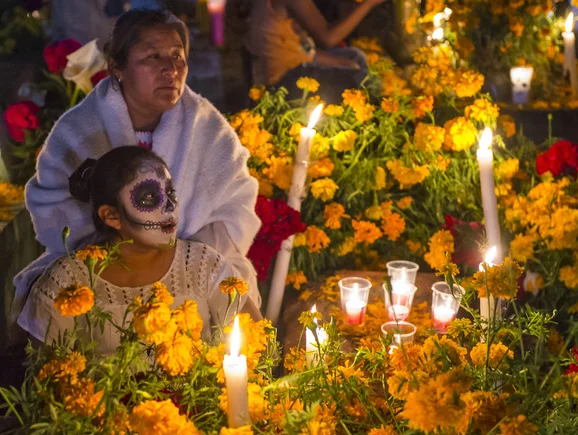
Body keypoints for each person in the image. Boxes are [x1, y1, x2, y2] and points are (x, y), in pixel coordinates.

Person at [13, 9, 261, 327]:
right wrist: (128, 257)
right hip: (103, 273)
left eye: (177, 56)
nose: (170, 69)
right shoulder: (78, 130)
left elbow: (235, 210)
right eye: (152, 57)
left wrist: (178, 261)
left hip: (194, 272)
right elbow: (55, 211)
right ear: (117, 67)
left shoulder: (209, 128)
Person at [18, 147, 259, 356]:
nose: (170, 207)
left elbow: (258, 344)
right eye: (149, 197)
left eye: (171, 193)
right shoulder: (66, 284)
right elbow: (45, 382)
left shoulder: (203, 266)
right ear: (111, 216)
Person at [247, 0, 386, 101]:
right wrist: (368, 4)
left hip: (295, 64)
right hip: (284, 81)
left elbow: (304, 48)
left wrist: (342, 63)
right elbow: (327, 39)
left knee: (355, 57)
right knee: (365, 80)